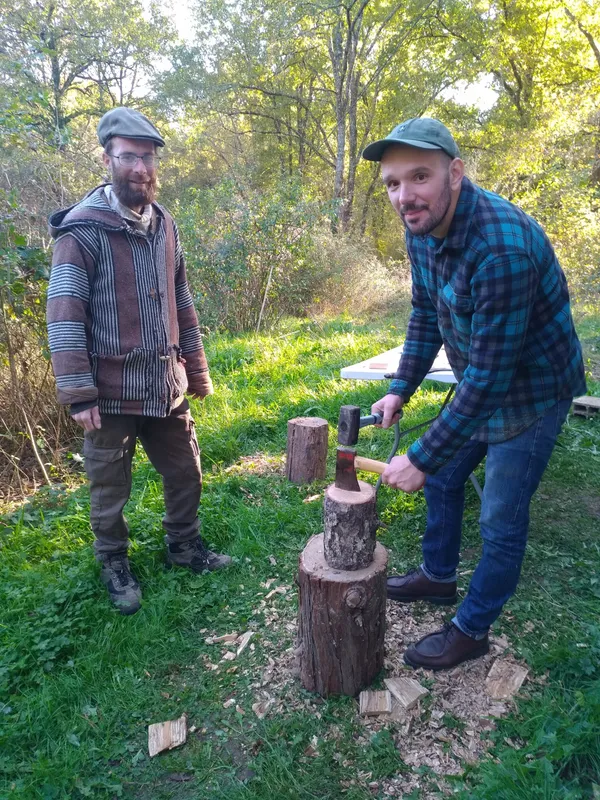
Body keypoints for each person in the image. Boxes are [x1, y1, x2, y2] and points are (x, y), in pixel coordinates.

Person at [363, 118, 586, 669]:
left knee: (499, 518)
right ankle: (438, 578)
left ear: (455, 173)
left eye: (420, 177)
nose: (405, 196)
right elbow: (425, 314)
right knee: (443, 476)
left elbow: (491, 379)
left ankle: (472, 628)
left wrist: (420, 455)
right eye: (393, 183)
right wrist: (400, 389)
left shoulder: (501, 247)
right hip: (483, 379)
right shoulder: (422, 228)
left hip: (534, 390)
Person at [46, 107, 231, 616]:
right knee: (109, 487)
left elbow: (182, 298)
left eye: (147, 157)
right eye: (128, 156)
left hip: (165, 383)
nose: (140, 167)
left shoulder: (165, 223)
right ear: (108, 158)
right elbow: (64, 317)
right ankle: (114, 563)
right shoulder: (81, 232)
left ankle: (184, 545)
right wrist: (79, 391)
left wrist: (195, 367)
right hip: (108, 393)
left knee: (186, 471)